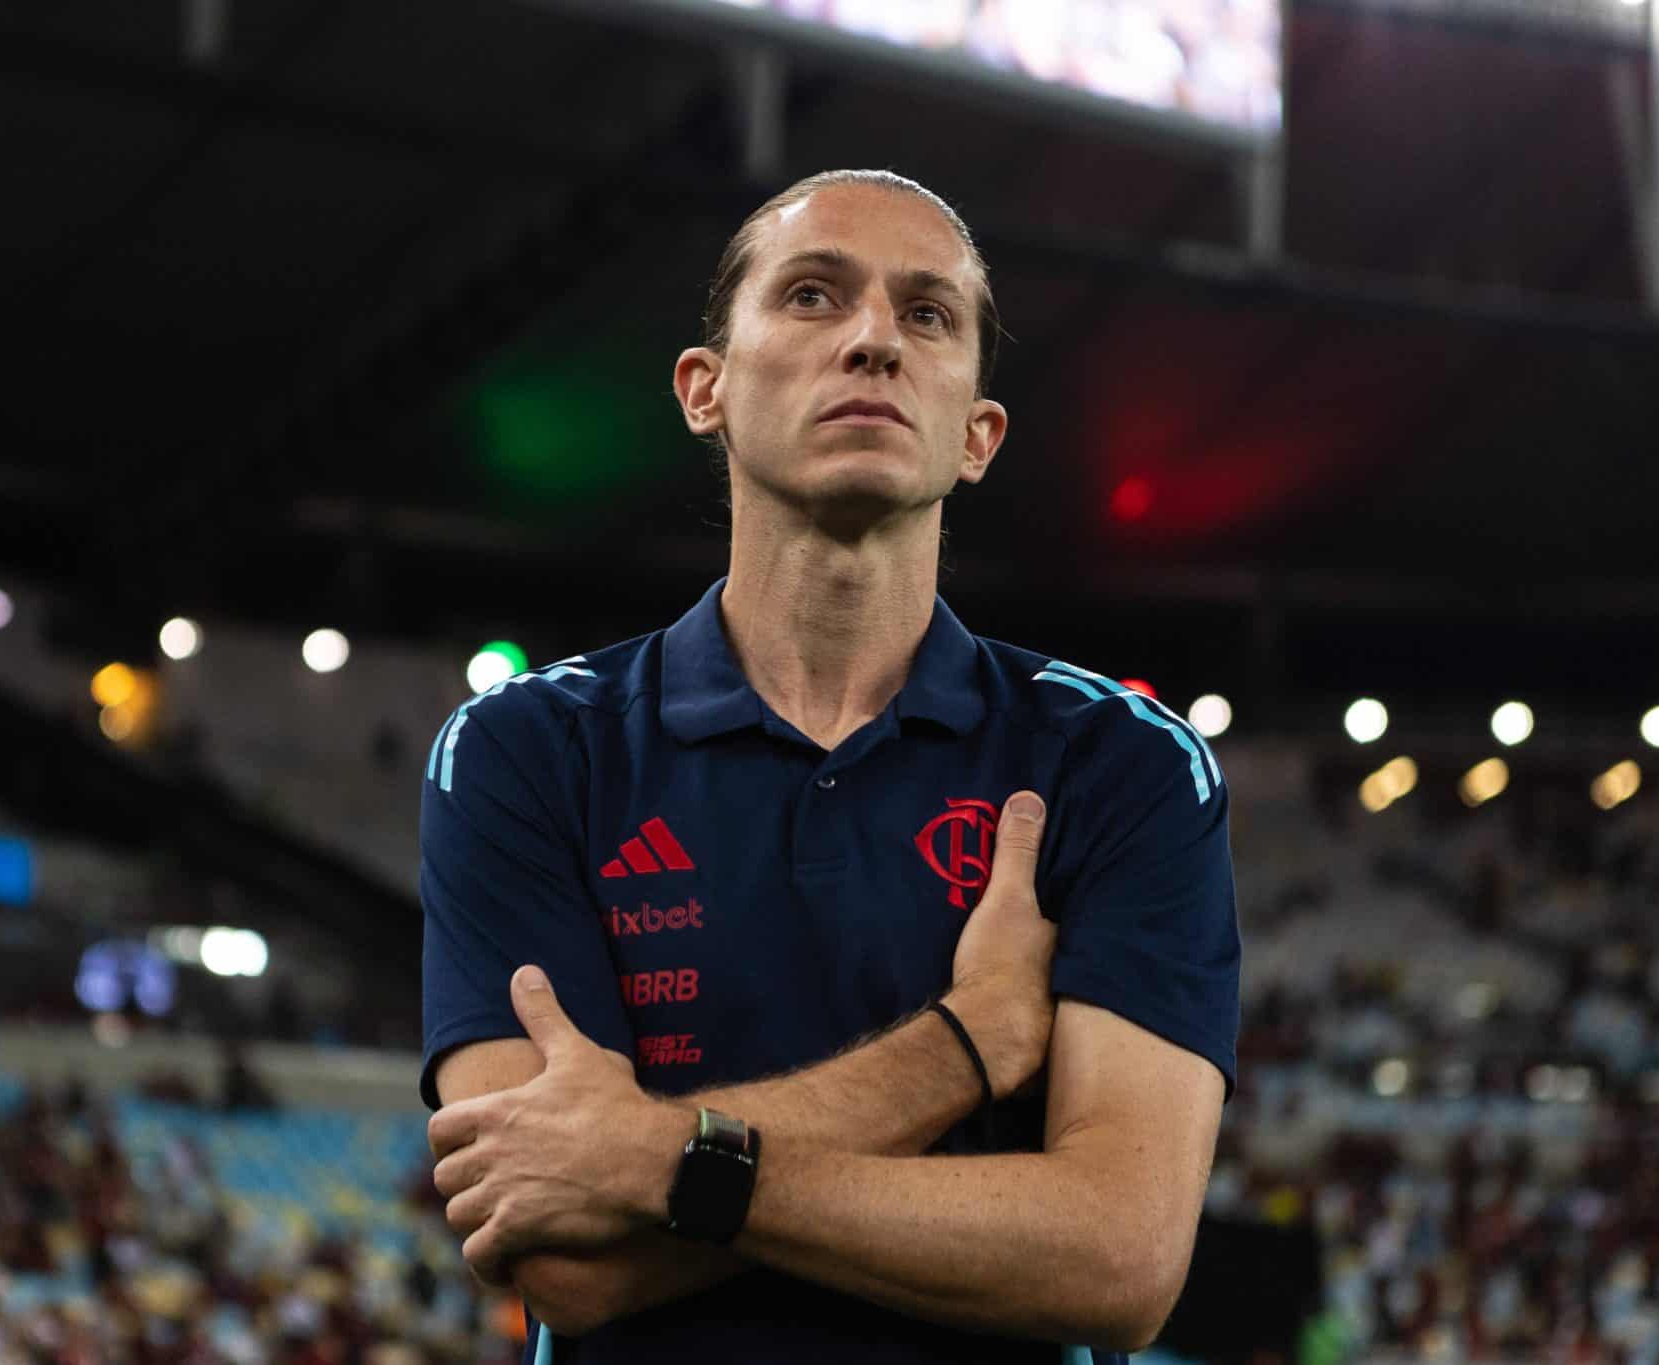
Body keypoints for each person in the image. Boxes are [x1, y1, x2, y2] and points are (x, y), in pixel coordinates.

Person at [417, 168, 1238, 1365]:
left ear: (977, 435)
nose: (871, 341)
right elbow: (557, 1260)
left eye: (926, 314)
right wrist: (958, 1048)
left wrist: (649, 1156)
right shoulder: (523, 748)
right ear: (704, 389)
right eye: (812, 296)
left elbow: (1114, 1258)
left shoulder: (1121, 762)